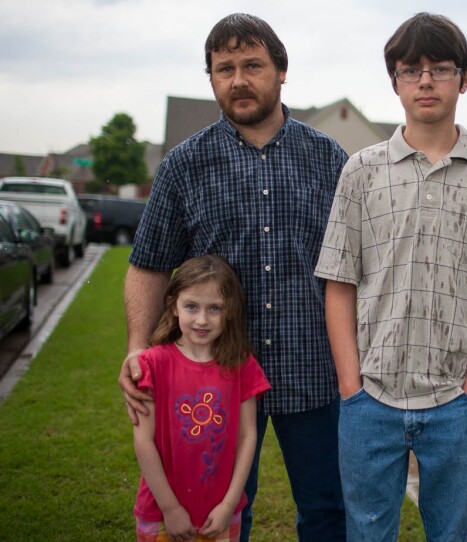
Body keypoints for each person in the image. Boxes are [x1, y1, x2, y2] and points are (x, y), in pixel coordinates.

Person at [118, 13, 348, 542]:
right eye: (224, 69)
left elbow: (358, 268)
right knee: (216, 510)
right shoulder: (184, 165)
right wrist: (136, 347)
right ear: (212, 79)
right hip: (209, 378)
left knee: (328, 508)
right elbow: (148, 263)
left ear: (282, 71)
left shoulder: (330, 160)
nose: (238, 79)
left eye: (252, 65)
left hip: (311, 369)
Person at [315, 12, 467, 541]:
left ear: (464, 78)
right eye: (410, 69)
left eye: (440, 68)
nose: (425, 81)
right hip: (371, 400)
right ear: (393, 81)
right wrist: (352, 388)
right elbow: (339, 283)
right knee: (367, 535)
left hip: (455, 405)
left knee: (454, 535)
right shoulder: (362, 171)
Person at [133, 255, 271, 542]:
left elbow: (247, 437)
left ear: (230, 311)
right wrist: (170, 509)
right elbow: (143, 441)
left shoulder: (242, 365)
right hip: (161, 513)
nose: (202, 320)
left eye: (215, 309)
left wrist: (229, 504)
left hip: (218, 514)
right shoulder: (152, 364)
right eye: (192, 306)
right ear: (173, 305)